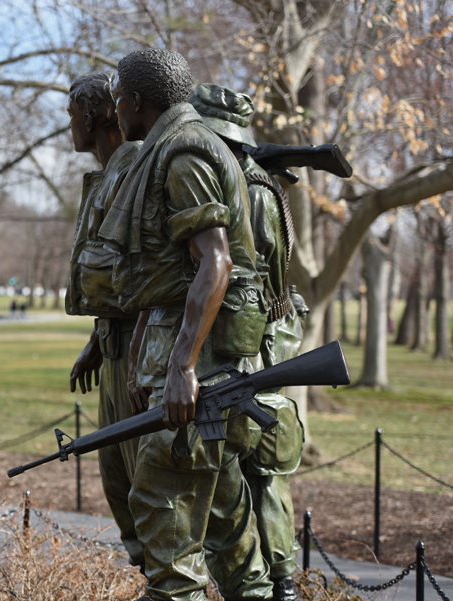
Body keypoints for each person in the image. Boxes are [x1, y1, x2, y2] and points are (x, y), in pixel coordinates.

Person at [98, 48, 271, 601]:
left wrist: (181, 366)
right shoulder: (170, 148)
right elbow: (167, 275)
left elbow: (214, 262)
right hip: (198, 378)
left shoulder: (183, 155)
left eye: (119, 97)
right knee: (230, 539)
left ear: (137, 102)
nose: (116, 108)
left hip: (201, 381)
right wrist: (145, 352)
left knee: (166, 538)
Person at [190, 83, 308, 601]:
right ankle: (280, 581)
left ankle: (266, 586)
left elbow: (240, 281)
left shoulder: (238, 188)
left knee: (240, 479)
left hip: (244, 353)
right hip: (269, 347)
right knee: (267, 478)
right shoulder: (266, 186)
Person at [63, 70, 144, 569]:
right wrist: (98, 336)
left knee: (150, 492)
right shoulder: (104, 175)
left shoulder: (134, 167)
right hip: (113, 346)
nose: (69, 125)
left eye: (72, 114)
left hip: (140, 351)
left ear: (90, 115)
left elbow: (148, 266)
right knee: (119, 487)